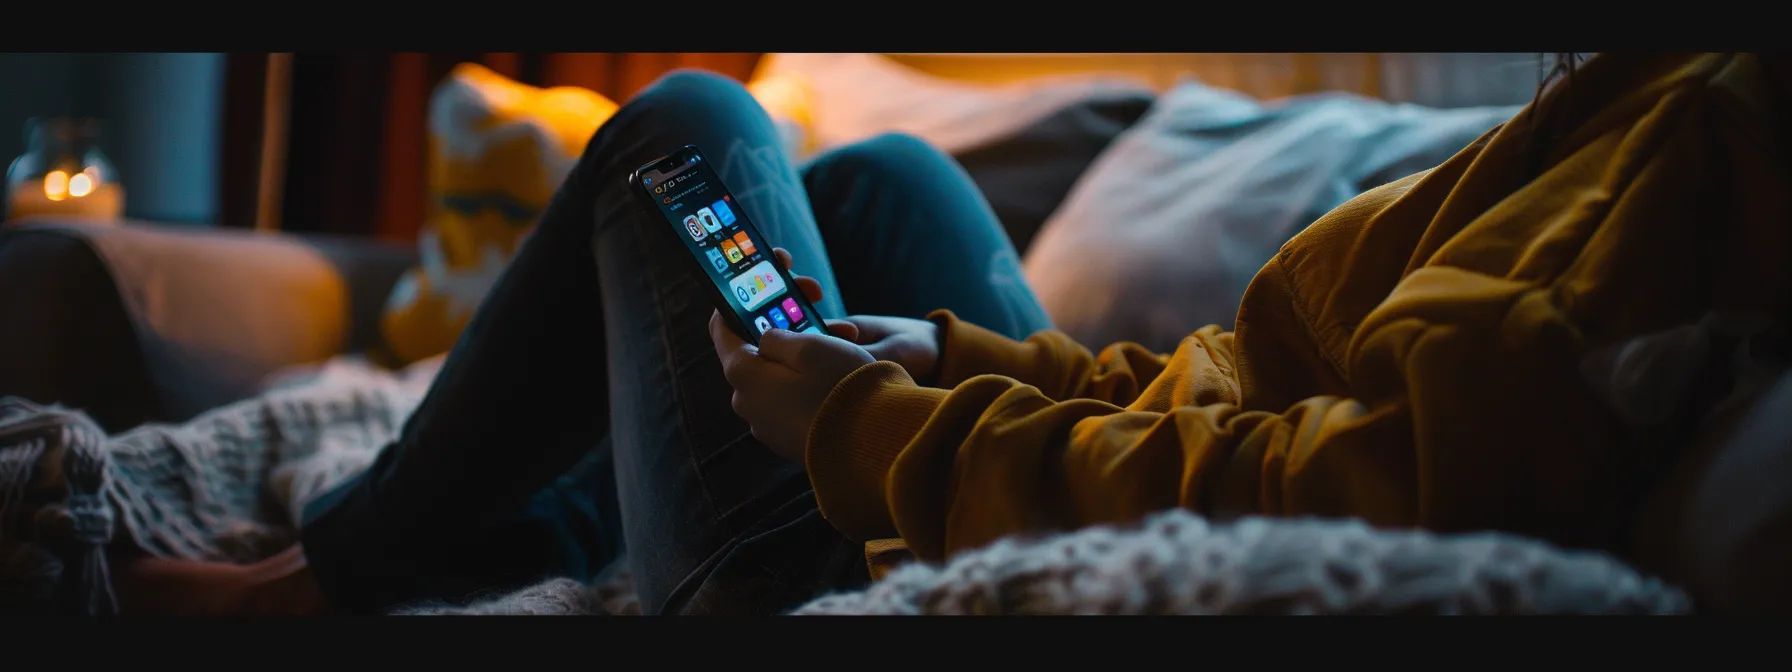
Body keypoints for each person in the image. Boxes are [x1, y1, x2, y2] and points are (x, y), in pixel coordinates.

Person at [113, 52, 1792, 615]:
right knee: (895, 181)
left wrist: (892, 432)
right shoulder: (1624, 100)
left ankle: (323, 581)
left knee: (684, 119)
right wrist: (965, 368)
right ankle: (557, 498)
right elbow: (1228, 392)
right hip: (1045, 462)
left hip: (880, 561)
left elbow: (1371, 486)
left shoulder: (1700, 138)